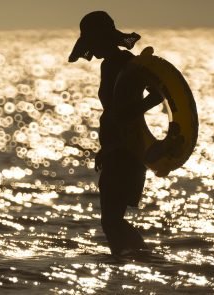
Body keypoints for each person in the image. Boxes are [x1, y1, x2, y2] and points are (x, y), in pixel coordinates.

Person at [68, 11, 164, 255]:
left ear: (104, 38)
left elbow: (156, 93)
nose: (91, 48)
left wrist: (132, 112)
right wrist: (105, 148)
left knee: (111, 221)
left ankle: (148, 261)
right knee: (111, 221)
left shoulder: (127, 63)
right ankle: (126, 268)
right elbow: (113, 110)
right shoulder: (108, 64)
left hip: (127, 148)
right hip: (115, 148)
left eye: (92, 41)